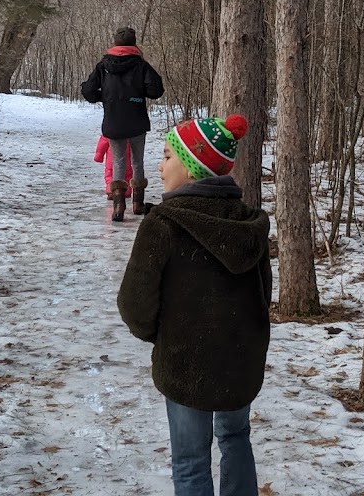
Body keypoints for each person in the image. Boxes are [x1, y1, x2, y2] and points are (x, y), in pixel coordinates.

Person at [117, 114, 271, 496]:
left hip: (185, 365)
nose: (159, 165)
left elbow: (135, 305)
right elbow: (262, 292)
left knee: (189, 461)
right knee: (236, 438)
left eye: (167, 156)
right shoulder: (249, 223)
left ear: (191, 168)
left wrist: (162, 336)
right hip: (240, 362)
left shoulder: (163, 224)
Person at [80, 26, 164, 221]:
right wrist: (137, 94)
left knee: (118, 161)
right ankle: (138, 203)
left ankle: (119, 207)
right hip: (137, 120)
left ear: (115, 43)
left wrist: (107, 97)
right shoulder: (141, 65)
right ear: (134, 44)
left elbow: (89, 91)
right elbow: (155, 90)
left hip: (113, 121)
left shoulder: (104, 65)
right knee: (137, 161)